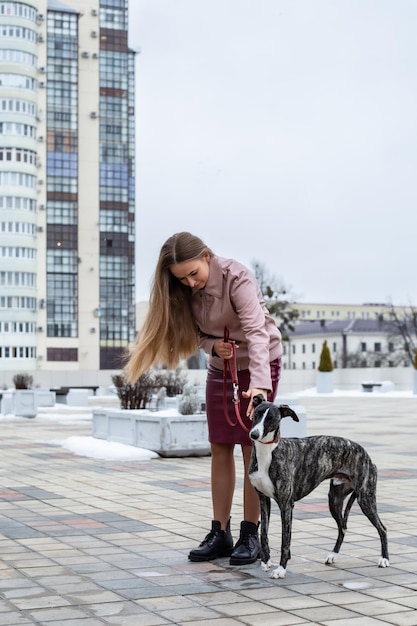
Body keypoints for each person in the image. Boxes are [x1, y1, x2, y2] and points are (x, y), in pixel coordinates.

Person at [125, 232, 282, 565]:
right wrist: (212, 346)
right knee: (220, 446)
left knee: (252, 448)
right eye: (182, 278)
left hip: (259, 366)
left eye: (193, 273)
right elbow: (193, 333)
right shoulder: (185, 290)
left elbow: (256, 333)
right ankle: (220, 532)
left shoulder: (237, 277)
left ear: (207, 256)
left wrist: (259, 387)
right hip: (220, 369)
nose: (190, 283)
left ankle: (250, 534)